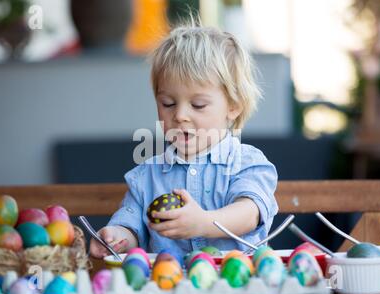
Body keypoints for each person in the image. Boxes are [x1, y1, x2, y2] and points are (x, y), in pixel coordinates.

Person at [90, 18, 278, 259]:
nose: (179, 115)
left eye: (198, 105)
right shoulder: (147, 175)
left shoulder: (246, 163)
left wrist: (204, 223)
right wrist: (116, 238)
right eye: (168, 103)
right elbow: (130, 225)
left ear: (233, 106)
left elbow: (250, 212)